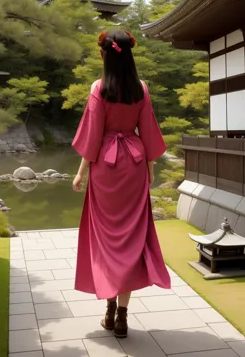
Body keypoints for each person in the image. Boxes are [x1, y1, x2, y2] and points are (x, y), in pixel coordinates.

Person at [71, 29, 170, 338]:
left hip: (106, 169)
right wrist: (150, 168)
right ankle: (124, 317)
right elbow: (148, 131)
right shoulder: (141, 88)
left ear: (105, 55)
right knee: (131, 240)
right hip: (135, 166)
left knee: (107, 241)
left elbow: (93, 136)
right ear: (130, 54)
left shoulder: (98, 88)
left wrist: (80, 172)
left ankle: (110, 311)